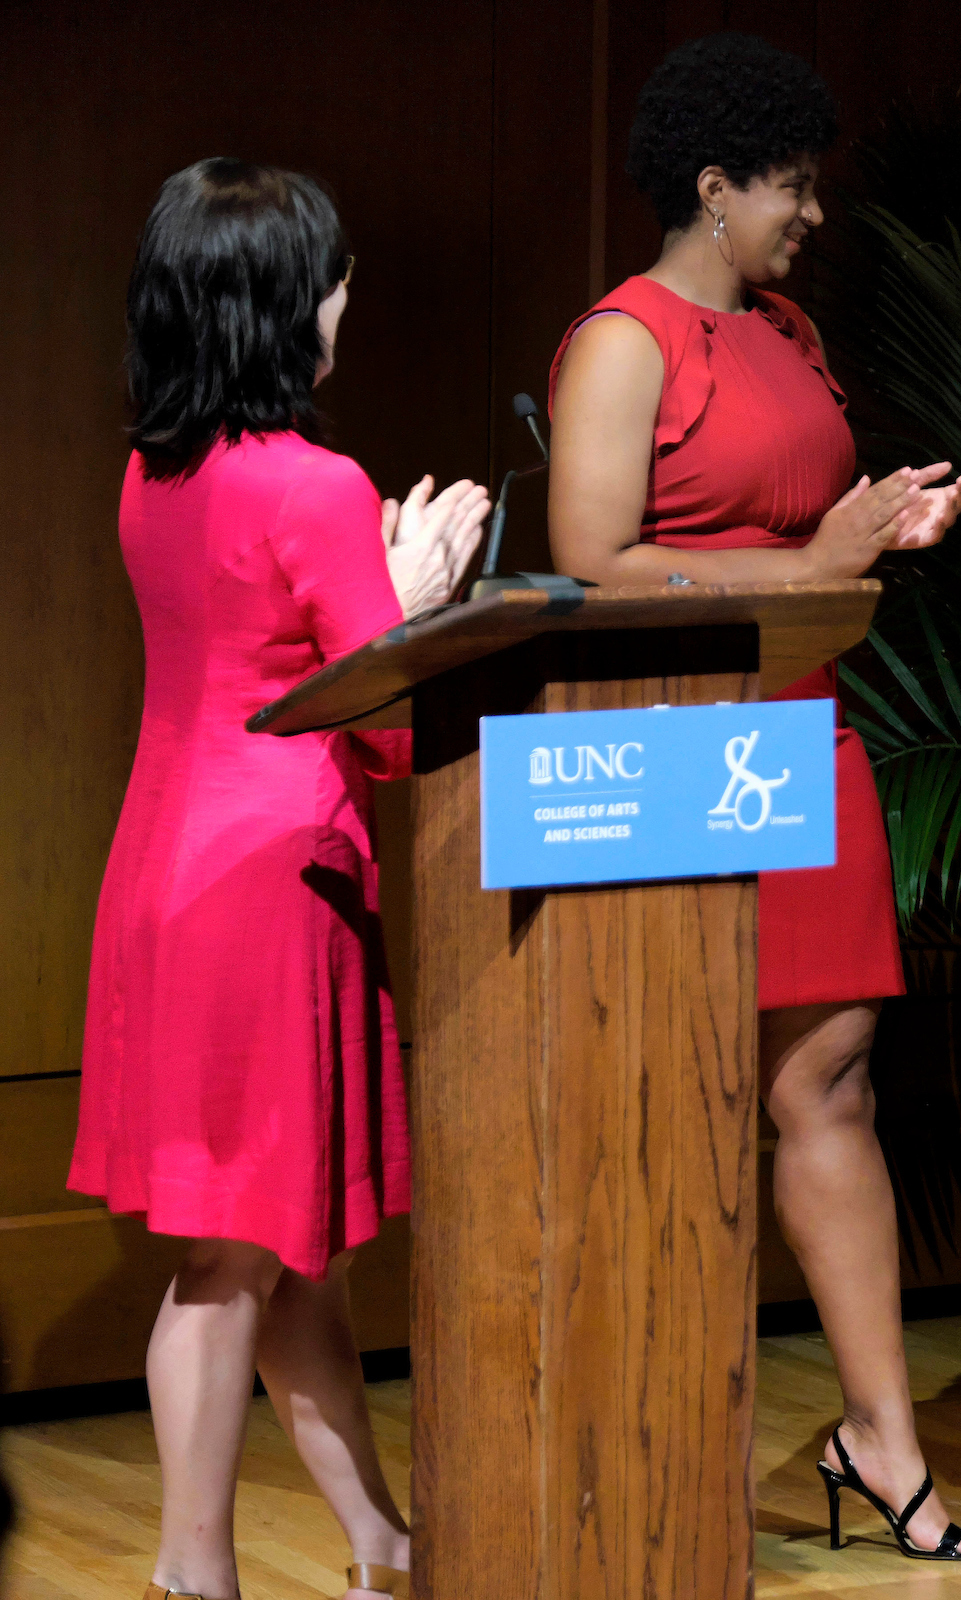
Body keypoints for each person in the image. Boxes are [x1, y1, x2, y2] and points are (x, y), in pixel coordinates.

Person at [543, 34, 961, 1563]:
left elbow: (806, 523)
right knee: (679, 1099)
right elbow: (594, 561)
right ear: (715, 187)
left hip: (807, 716)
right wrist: (808, 563)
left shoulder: (789, 327)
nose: (812, 212)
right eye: (790, 187)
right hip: (673, 738)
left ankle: (882, 1440)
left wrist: (877, 529)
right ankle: (652, 1455)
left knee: (832, 1077)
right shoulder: (625, 337)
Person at [76, 158, 490, 1600]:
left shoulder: (152, 472)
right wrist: (417, 594)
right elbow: (374, 724)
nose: (346, 302)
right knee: (232, 1268)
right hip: (271, 882)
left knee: (287, 1253)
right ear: (278, 308)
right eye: (331, 281)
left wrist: (372, 596)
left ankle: (382, 1545)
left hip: (164, 867)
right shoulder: (319, 488)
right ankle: (194, 1575)